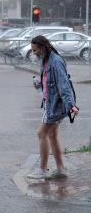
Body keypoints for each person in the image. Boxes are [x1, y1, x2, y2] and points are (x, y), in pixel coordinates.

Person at [26, 35, 79, 179]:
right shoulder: (45, 59)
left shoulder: (55, 62)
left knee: (41, 133)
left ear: (43, 47)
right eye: (32, 50)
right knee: (52, 135)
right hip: (51, 102)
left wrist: (71, 106)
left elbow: (64, 85)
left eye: (35, 50)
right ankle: (61, 168)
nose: (34, 52)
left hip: (56, 105)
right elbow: (49, 81)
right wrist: (39, 84)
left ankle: (42, 170)